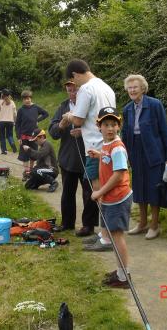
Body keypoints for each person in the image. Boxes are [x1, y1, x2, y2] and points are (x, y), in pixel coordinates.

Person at [62, 59, 115, 239]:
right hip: (109, 146)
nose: (75, 85)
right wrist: (82, 130)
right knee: (107, 191)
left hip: (94, 149)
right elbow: (97, 118)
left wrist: (69, 115)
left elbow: (77, 118)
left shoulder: (86, 89)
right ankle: (106, 234)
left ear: (75, 75)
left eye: (73, 81)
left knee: (99, 194)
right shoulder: (105, 86)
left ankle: (105, 237)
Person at [121, 74, 167, 240]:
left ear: (142, 88)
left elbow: (164, 131)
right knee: (139, 187)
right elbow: (125, 133)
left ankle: (154, 225)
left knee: (154, 188)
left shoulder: (155, 105)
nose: (132, 90)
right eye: (129, 88)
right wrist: (124, 155)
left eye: (135, 87)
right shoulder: (127, 109)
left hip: (153, 151)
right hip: (135, 151)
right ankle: (142, 222)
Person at [85, 107, 133, 288]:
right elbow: (108, 160)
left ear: (119, 126)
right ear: (99, 126)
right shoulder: (106, 145)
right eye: (106, 124)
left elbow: (119, 174)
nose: (110, 128)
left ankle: (123, 277)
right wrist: (99, 155)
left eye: (114, 124)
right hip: (111, 198)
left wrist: (100, 192)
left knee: (117, 236)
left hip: (118, 198)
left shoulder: (117, 147)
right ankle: (121, 271)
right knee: (113, 236)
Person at [48, 79, 97, 233]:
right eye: (69, 90)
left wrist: (83, 132)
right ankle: (67, 223)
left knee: (89, 193)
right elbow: (53, 132)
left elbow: (101, 128)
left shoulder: (90, 105)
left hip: (88, 156)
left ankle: (88, 225)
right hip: (67, 158)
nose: (72, 93)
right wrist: (61, 125)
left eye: (75, 90)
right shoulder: (63, 106)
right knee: (67, 192)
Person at [15, 90, 49, 181]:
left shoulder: (36, 107)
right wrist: (18, 137)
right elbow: (17, 124)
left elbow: (46, 114)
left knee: (33, 155)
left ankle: (30, 171)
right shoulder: (21, 110)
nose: (27, 100)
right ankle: (26, 173)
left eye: (29, 98)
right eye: (25, 99)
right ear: (23, 100)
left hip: (34, 137)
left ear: (31, 98)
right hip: (24, 137)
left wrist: (38, 120)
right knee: (24, 155)